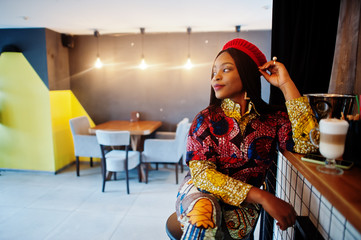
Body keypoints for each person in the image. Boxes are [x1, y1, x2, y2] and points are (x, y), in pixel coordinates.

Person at [175, 38, 318, 240]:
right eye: (214, 71)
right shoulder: (205, 119)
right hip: (200, 196)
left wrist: (286, 84)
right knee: (204, 210)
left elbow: (309, 145)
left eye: (225, 69)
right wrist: (263, 197)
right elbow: (202, 176)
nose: (215, 77)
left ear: (247, 72)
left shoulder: (273, 120)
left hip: (241, 213)